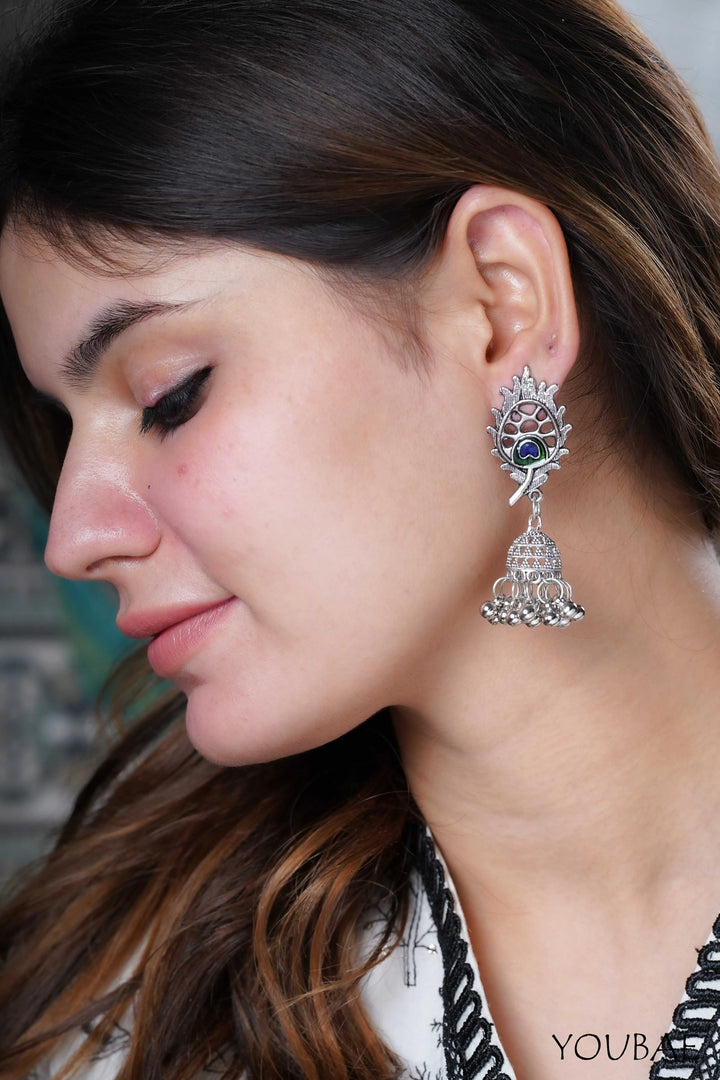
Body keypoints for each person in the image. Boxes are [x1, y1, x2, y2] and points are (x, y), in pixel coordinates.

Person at [2, 0, 720, 1076]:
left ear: (502, 307)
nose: (75, 537)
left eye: (169, 395)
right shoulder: (114, 1030)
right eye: (64, 436)